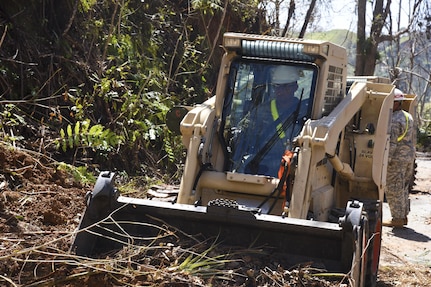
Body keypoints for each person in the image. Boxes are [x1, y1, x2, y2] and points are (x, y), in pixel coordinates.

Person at [383, 88, 415, 228]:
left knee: (393, 187)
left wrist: (386, 161)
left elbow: (393, 143)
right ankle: (403, 216)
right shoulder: (408, 116)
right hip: (408, 156)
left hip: (396, 159)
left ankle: (396, 219)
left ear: (396, 103)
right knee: (402, 187)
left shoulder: (395, 120)